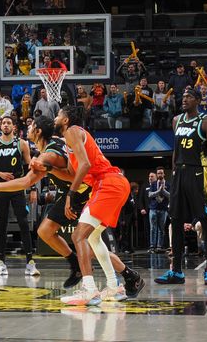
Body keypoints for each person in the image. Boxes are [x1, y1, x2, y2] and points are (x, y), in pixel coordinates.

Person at [0, 116, 144, 295]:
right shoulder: (52, 146)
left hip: (83, 192)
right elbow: (32, 179)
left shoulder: (50, 155)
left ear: (38, 132)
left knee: (85, 240)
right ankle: (109, 273)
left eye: (31, 126)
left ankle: (93, 284)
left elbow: (70, 177)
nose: (28, 127)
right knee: (56, 234)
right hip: (72, 192)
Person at [54, 106, 137, 305]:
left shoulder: (73, 130)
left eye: (58, 115)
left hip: (108, 183)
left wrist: (70, 195)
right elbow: (74, 173)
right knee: (92, 236)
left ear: (66, 120)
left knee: (78, 236)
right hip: (111, 184)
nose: (55, 118)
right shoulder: (69, 141)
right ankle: (114, 287)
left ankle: (89, 289)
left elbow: (85, 166)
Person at [155, 88, 207, 286]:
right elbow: (176, 150)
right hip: (179, 174)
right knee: (175, 221)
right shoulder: (177, 120)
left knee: (205, 220)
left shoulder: (206, 122)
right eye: (182, 97)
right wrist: (173, 173)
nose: (183, 100)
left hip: (199, 173)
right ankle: (176, 271)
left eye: (188, 97)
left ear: (198, 100)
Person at [0, 116, 37, 277]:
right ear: (0, 127)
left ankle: (30, 262)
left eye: (8, 123)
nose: (5, 125)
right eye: (3, 123)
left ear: (14, 127)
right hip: (0, 187)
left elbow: (30, 167)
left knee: (23, 223)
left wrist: (32, 188)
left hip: (18, 186)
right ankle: (1, 263)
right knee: (1, 225)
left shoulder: (21, 143)